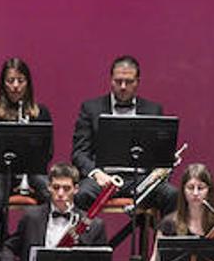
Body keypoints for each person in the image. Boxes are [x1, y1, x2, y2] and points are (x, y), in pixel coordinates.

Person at [71, 56, 177, 215]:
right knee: (80, 194)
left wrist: (158, 174)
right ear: (110, 80)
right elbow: (79, 153)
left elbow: (161, 155)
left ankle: (160, 239)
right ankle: (91, 238)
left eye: (129, 82)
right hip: (104, 179)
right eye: (118, 81)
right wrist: (96, 173)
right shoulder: (90, 108)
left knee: (171, 195)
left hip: (141, 179)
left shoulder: (153, 110)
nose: (122, 86)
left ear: (138, 82)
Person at [0, 58, 52, 226]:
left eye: (21, 80)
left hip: (33, 172)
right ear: (3, 84)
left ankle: (39, 243)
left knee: (54, 195)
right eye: (10, 81)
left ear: (28, 83)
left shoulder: (41, 113)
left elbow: (48, 151)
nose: (16, 86)